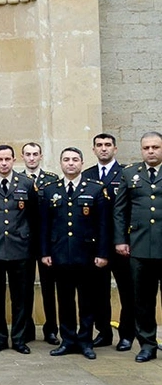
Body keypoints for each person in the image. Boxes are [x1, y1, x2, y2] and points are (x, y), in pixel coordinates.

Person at [39, 147, 108, 360]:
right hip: (60, 255)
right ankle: (68, 340)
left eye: (75, 159)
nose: (71, 163)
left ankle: (85, 341)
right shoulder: (50, 190)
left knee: (87, 302)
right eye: (67, 159)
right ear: (60, 163)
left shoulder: (95, 188)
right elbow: (44, 225)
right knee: (65, 301)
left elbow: (103, 225)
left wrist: (102, 253)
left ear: (82, 163)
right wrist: (45, 252)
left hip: (87, 255)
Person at [0, 144, 39, 354]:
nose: (4, 163)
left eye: (7, 159)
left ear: (14, 160)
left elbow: (33, 216)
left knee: (22, 297)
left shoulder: (26, 183)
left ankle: (19, 339)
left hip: (21, 248)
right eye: (0, 159)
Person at [114, 131, 162, 363]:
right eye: (146, 148)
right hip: (140, 247)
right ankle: (147, 345)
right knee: (142, 300)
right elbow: (120, 210)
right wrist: (120, 240)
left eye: (155, 147)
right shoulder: (130, 173)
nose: (150, 151)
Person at [81, 133, 131, 351]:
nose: (103, 148)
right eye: (99, 145)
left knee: (127, 291)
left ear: (115, 149)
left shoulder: (127, 173)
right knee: (98, 292)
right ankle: (103, 332)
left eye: (108, 145)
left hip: (121, 243)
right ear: (93, 149)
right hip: (95, 244)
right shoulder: (87, 175)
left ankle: (127, 334)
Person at [21, 142, 60, 346]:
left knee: (48, 287)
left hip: (46, 242)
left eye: (35, 154)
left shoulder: (51, 180)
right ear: (22, 157)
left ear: (41, 156)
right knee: (24, 287)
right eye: (28, 154)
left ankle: (51, 329)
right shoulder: (17, 180)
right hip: (24, 242)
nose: (32, 158)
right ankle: (26, 328)